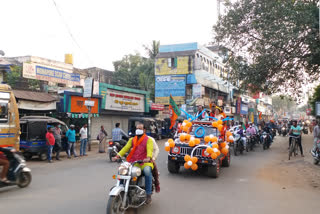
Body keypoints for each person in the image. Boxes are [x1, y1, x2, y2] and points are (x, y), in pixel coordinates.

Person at [113, 123, 154, 204]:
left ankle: (148, 194)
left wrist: (148, 157)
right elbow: (126, 148)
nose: (138, 130)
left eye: (140, 128)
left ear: (144, 130)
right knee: (121, 169)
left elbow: (150, 149)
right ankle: (120, 187)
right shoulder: (132, 139)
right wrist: (117, 156)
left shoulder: (148, 140)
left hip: (144, 162)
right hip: (133, 161)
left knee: (147, 172)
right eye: (137, 128)